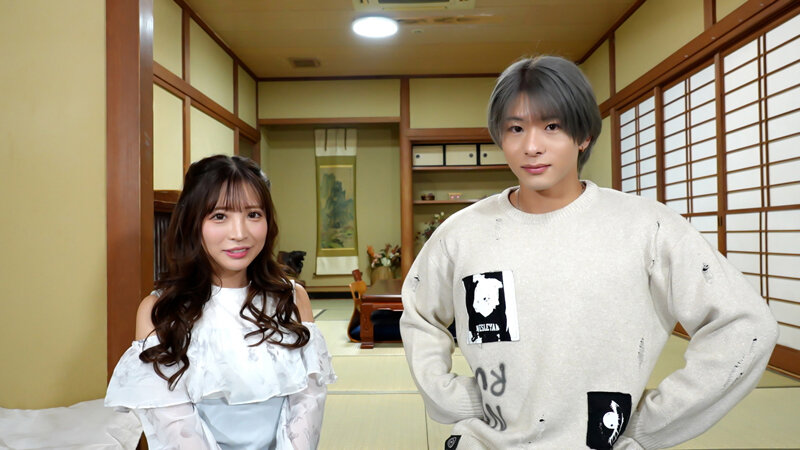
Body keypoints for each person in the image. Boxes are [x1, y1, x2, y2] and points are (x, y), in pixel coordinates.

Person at [399, 56, 778, 449]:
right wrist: (449, 396)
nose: (531, 146)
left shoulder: (648, 226)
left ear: (583, 136)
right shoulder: (462, 232)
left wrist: (651, 423)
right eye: (515, 128)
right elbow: (419, 315)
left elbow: (746, 326)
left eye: (552, 126)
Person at [105, 155, 335, 449]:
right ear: (192, 222)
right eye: (219, 216)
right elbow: (175, 428)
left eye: (254, 214)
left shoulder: (291, 298)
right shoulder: (159, 311)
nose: (239, 234)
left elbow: (307, 405)